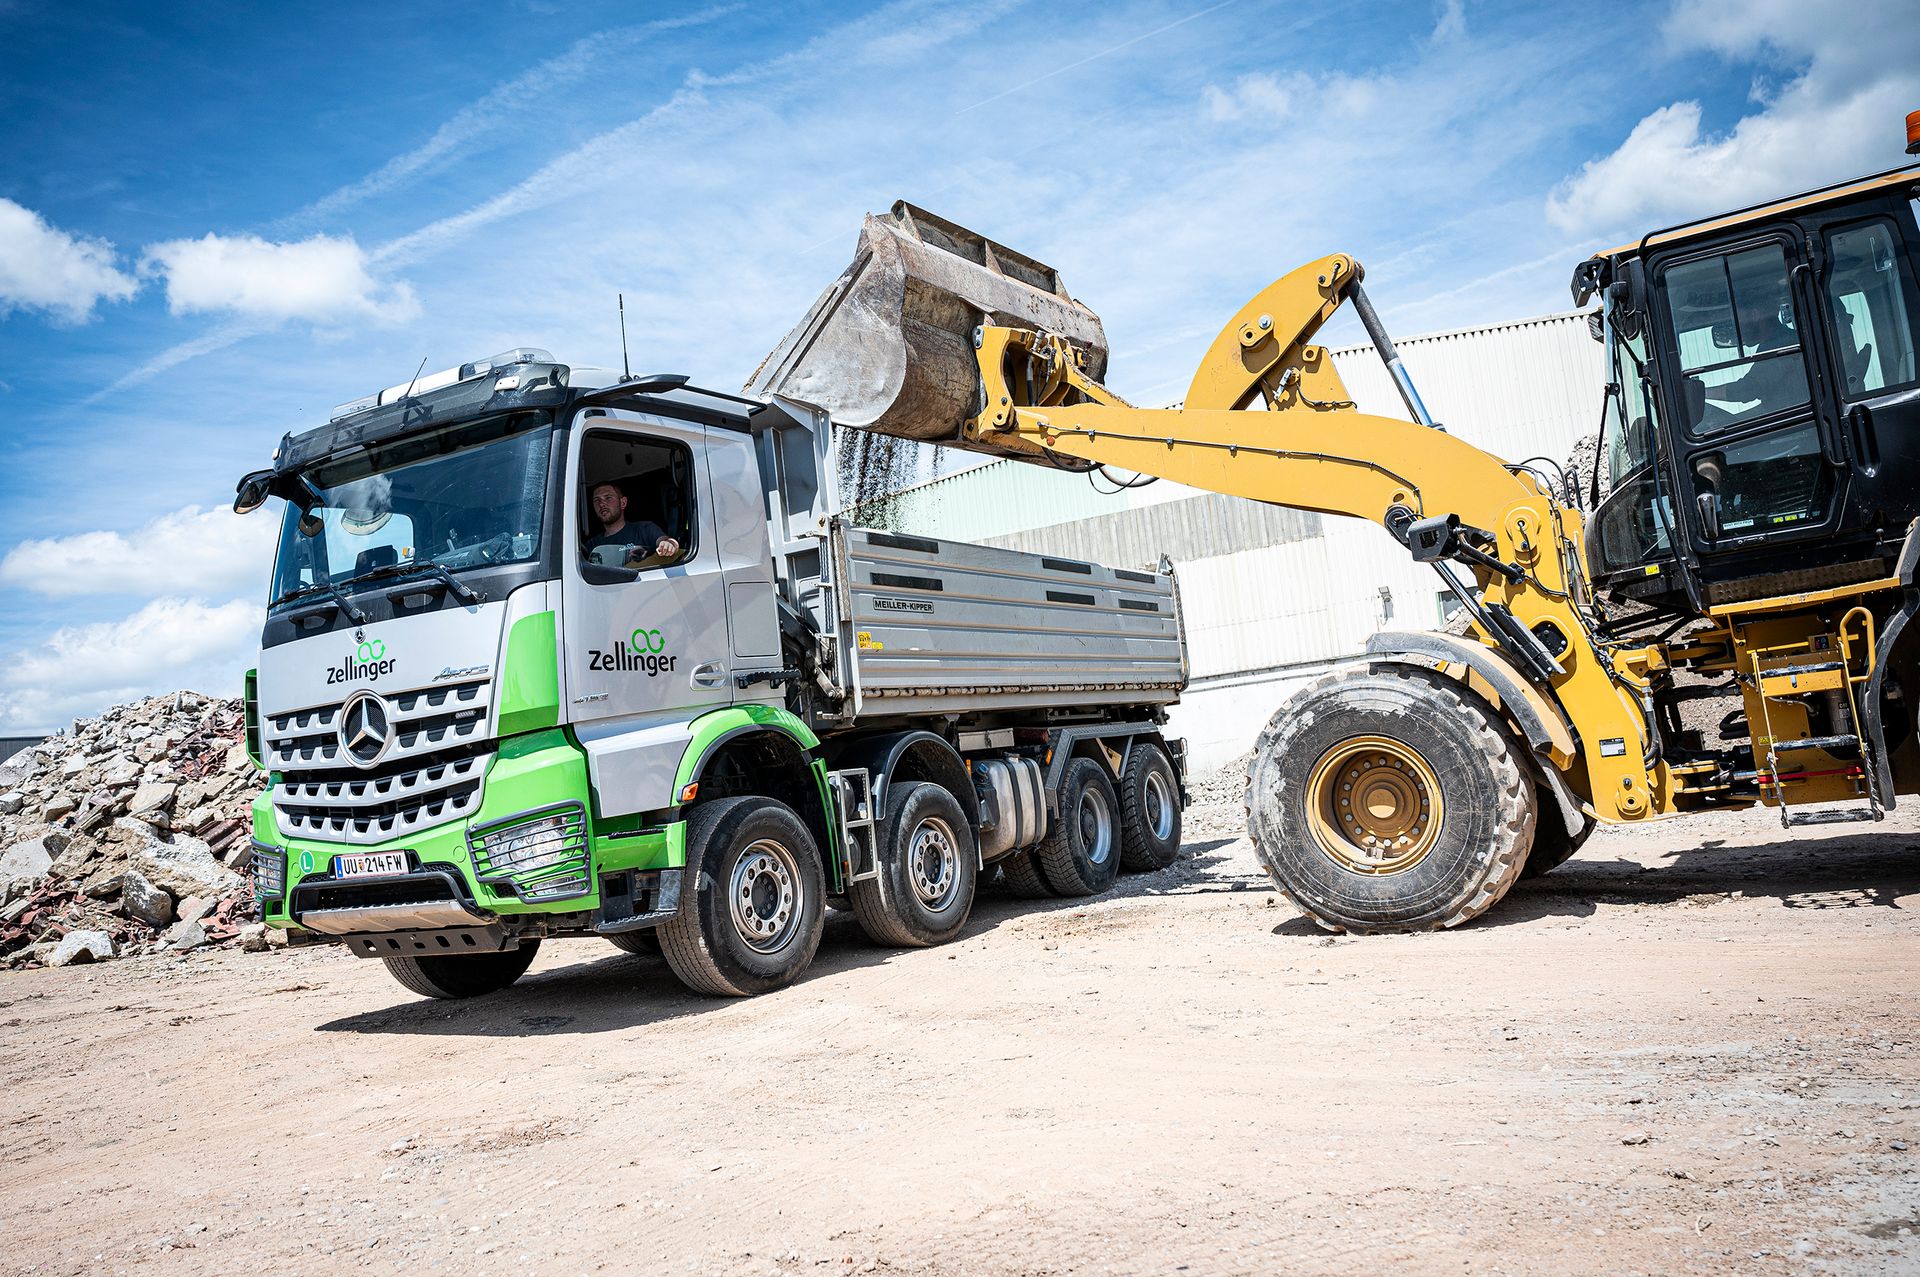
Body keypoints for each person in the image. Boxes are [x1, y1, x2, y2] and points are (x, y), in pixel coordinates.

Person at [584, 482, 681, 568]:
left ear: (623, 503)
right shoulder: (591, 545)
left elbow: (666, 541)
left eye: (608, 498)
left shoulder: (644, 529)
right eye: (596, 500)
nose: (601, 504)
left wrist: (669, 544)